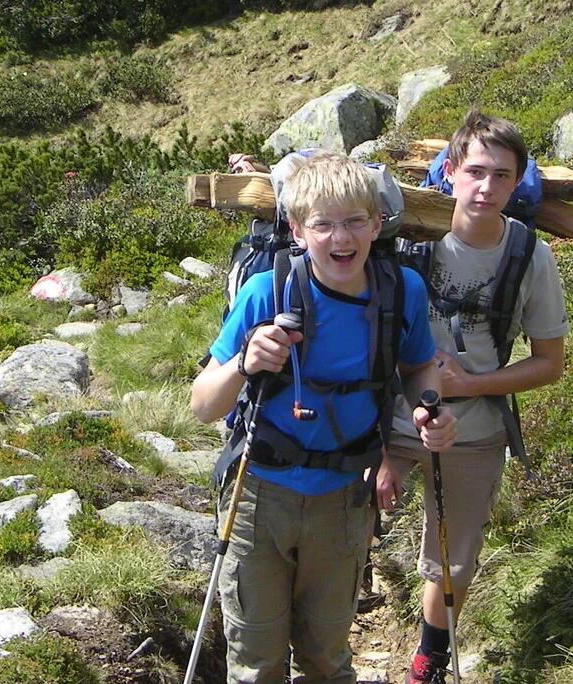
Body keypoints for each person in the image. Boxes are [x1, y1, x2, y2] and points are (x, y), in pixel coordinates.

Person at [191, 152, 457, 684]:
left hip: (343, 499)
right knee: (257, 666)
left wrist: (431, 411)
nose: (342, 238)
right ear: (297, 228)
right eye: (324, 224)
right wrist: (245, 363)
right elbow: (203, 406)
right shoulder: (265, 293)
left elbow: (419, 366)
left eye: (356, 221)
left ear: (377, 223)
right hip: (258, 495)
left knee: (326, 662)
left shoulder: (401, 291)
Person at [377, 109, 569, 684]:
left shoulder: (530, 256)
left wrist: (469, 385)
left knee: (453, 563)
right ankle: (324, 653)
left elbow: (549, 364)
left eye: (502, 176)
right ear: (452, 171)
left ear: (517, 182)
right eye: (477, 171)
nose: (487, 187)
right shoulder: (408, 239)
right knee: (341, 527)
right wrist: (381, 449)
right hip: (388, 417)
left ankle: (427, 661)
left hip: (477, 427)